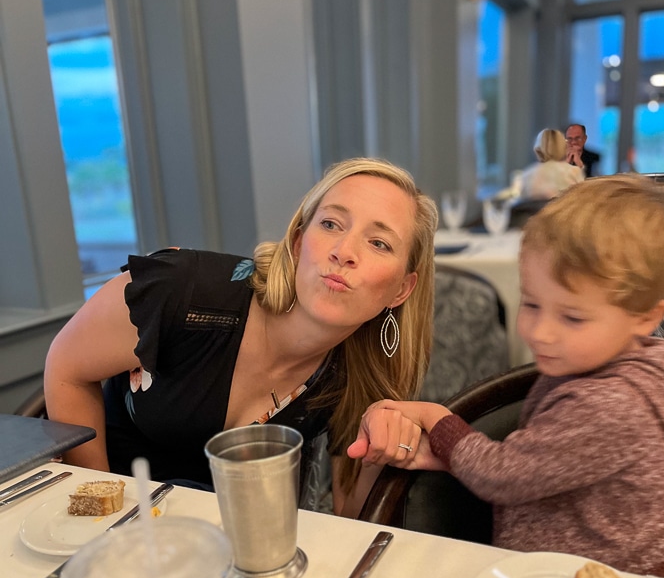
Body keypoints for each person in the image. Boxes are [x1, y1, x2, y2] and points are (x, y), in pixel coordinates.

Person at [44, 157, 438, 515]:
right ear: (298, 242)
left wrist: (382, 448)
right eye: (331, 224)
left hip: (237, 547)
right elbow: (66, 368)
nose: (344, 251)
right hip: (118, 532)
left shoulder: (359, 372)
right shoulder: (181, 289)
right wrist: (102, 511)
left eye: (379, 243)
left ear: (401, 290)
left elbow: (350, 516)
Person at [348, 176, 664, 575]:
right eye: (532, 304)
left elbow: (502, 476)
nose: (541, 332)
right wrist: (455, 459)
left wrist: (438, 418)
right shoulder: (637, 368)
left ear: (646, 317)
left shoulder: (611, 405)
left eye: (573, 318)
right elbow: (549, 462)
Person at [518, 128, 584, 199]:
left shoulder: (528, 174)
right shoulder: (574, 172)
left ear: (537, 149)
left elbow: (523, 201)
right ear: (563, 147)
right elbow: (582, 199)